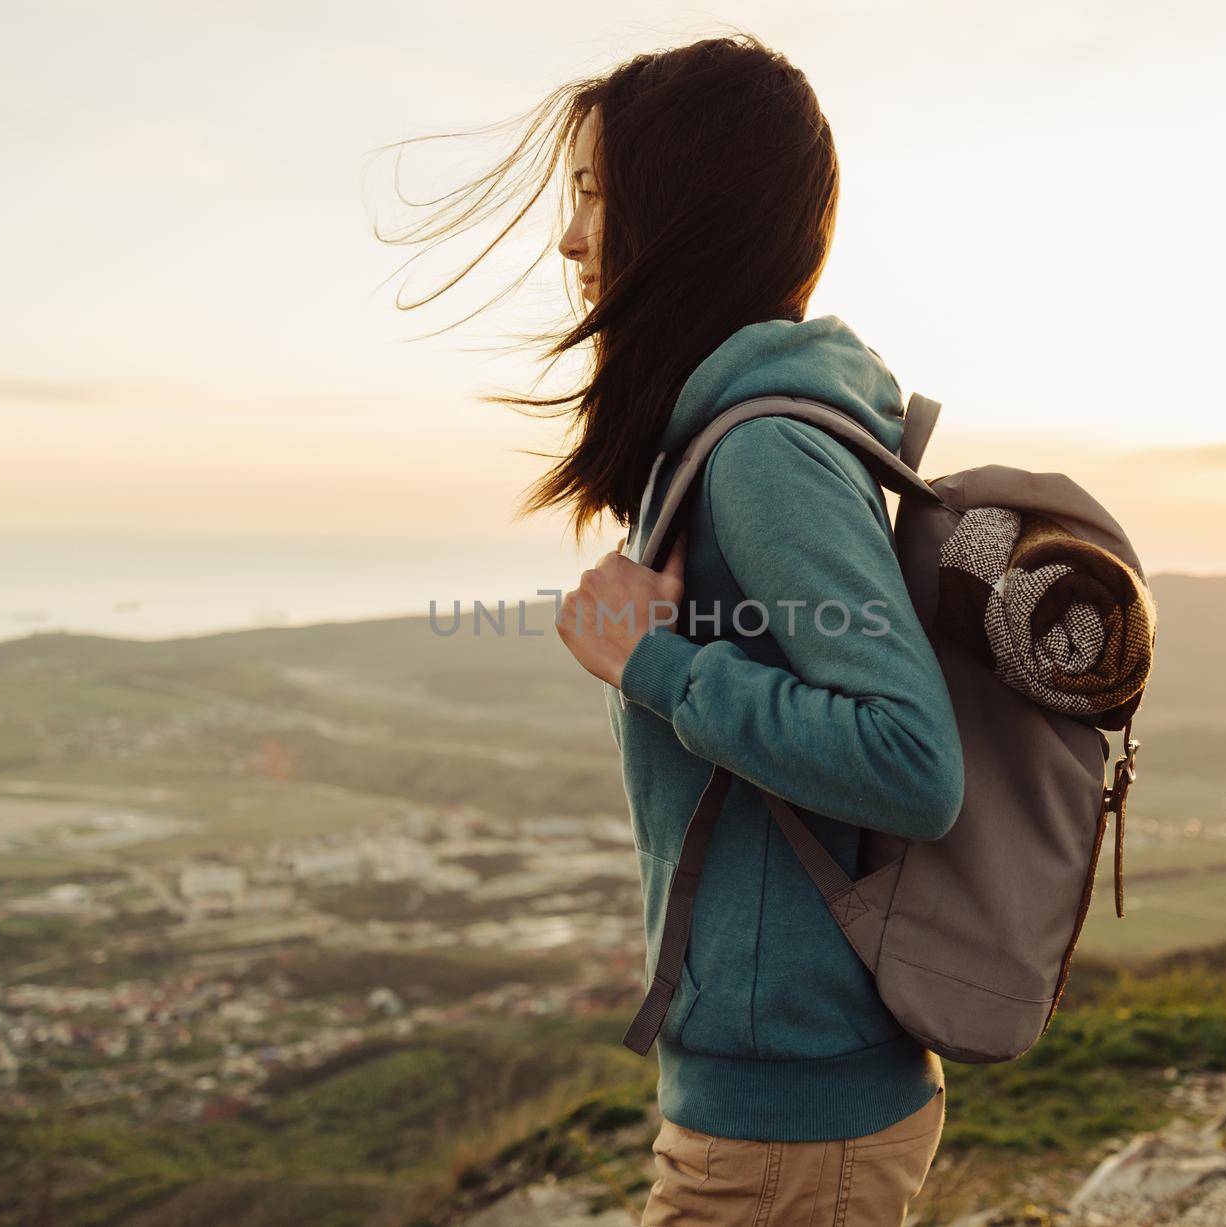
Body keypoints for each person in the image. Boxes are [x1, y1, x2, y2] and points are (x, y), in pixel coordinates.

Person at [378, 29, 964, 1226]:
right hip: (771, 1107)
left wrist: (653, 663)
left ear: (683, 207)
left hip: (788, 1129)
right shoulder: (736, 437)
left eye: (595, 192)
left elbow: (912, 761)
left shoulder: (763, 451)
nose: (570, 235)